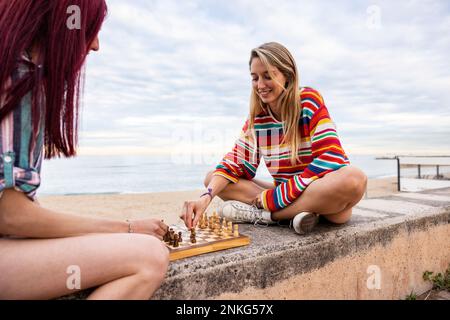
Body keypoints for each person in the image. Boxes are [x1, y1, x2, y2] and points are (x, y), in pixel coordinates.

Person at [0, 0, 169, 300]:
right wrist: (125, 228)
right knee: (149, 257)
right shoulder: (19, 77)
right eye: (89, 30)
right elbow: (9, 215)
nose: (96, 45)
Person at [180, 42, 367, 234]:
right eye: (255, 78)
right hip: (285, 193)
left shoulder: (309, 100)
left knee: (353, 179)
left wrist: (277, 198)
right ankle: (297, 213)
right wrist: (205, 197)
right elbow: (235, 161)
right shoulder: (258, 117)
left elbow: (331, 157)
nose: (260, 85)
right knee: (212, 178)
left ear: (287, 75)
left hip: (315, 190)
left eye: (268, 76)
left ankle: (269, 217)